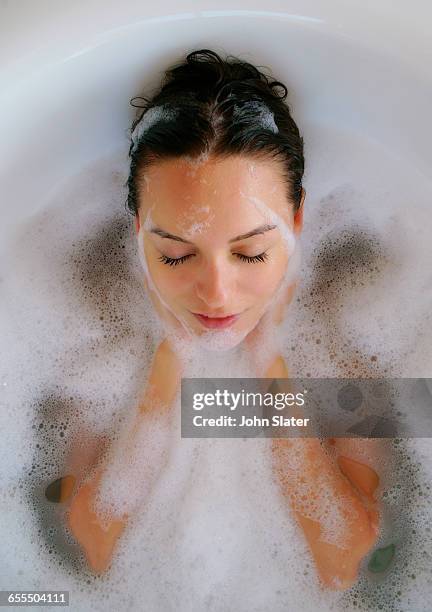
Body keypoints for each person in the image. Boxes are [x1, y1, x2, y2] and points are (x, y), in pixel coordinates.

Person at [65, 49, 381, 590]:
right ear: (140, 228)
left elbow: (344, 561)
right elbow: (94, 547)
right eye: (176, 255)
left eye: (251, 253)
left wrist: (270, 364)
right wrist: (170, 360)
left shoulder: (347, 343)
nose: (216, 293)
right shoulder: (94, 341)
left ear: (298, 218)